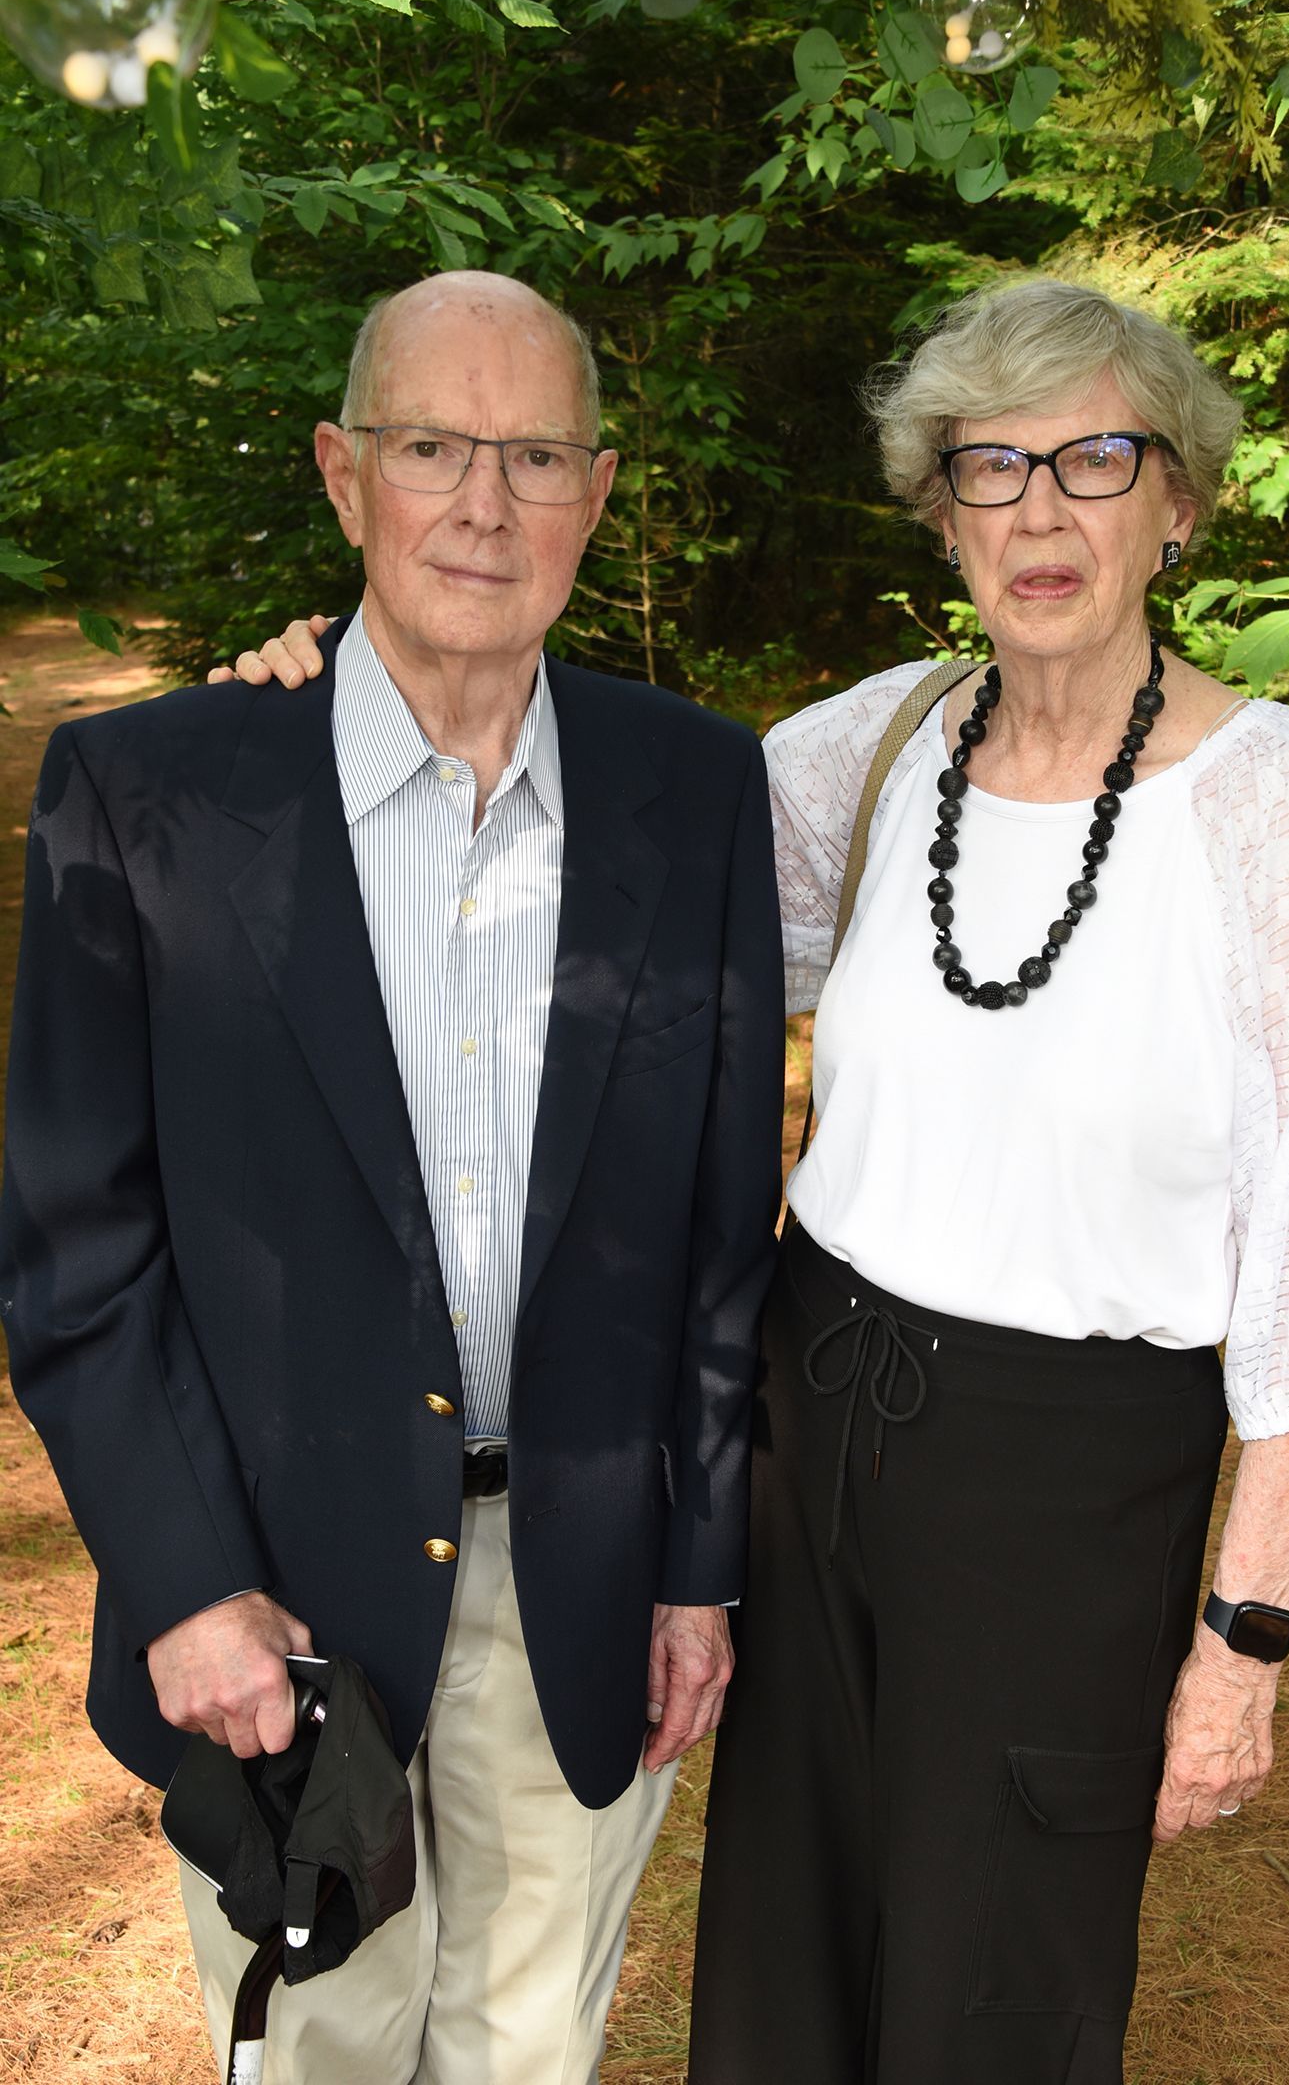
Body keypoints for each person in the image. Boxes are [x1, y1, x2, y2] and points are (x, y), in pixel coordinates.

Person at [226, 277, 1289, 2084]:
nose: (1040, 511)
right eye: (990, 467)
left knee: (992, 1989)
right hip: (811, 1440)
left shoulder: (1277, 808)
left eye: (1096, 461)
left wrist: (1244, 1634)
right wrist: (337, 697)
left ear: (1178, 502)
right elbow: (576, 857)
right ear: (940, 513)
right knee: (782, 1970)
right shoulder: (875, 751)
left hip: (1070, 1492)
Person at [0, 269, 785, 2085]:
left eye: (536, 457)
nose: (484, 505)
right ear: (345, 475)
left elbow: (717, 1237)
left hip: (580, 1591)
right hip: (276, 1601)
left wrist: (701, 1568)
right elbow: (74, 1253)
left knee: (527, 2057)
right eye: (434, 447)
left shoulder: (696, 790)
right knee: (324, 2059)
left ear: (598, 492)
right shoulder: (151, 794)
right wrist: (187, 1585)